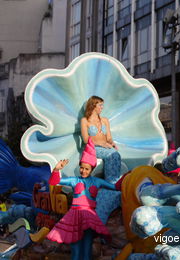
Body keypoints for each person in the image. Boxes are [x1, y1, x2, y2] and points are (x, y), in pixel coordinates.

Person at [46, 138, 121, 260]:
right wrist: (56, 169)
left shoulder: (97, 181)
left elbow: (115, 187)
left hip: (89, 217)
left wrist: (129, 177)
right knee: (75, 250)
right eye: (82, 168)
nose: (83, 171)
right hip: (74, 217)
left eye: (87, 169)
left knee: (87, 250)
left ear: (92, 169)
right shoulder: (75, 180)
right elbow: (55, 182)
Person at [80, 95, 122, 223]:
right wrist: (100, 144)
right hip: (93, 149)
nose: (102, 108)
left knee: (115, 153)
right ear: (93, 105)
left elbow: (108, 137)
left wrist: (112, 143)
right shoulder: (85, 120)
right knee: (111, 154)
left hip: (105, 147)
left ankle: (113, 182)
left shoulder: (104, 120)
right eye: (100, 105)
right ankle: (112, 184)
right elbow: (86, 139)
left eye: (102, 105)